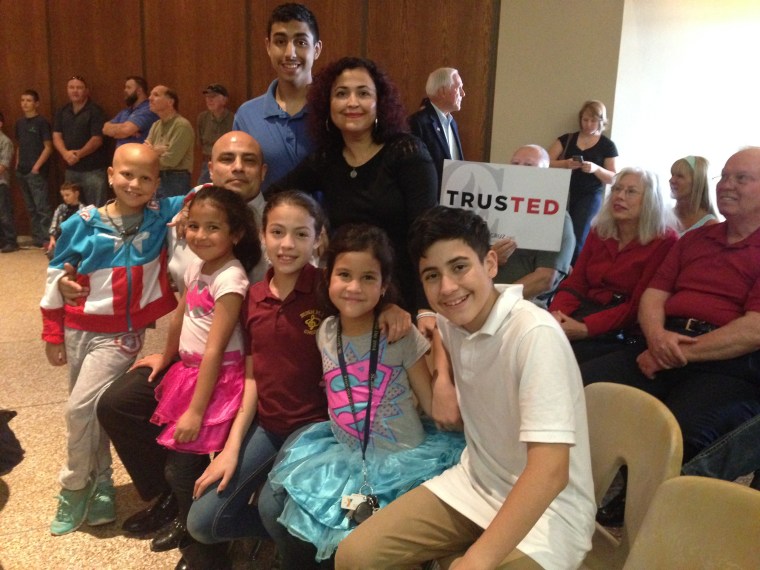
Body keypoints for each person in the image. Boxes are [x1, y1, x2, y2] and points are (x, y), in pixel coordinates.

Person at [336, 206, 595, 570]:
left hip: (550, 511)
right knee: (355, 556)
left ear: (490, 263)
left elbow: (550, 471)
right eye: (432, 275)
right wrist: (443, 377)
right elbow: (439, 327)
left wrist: (479, 558)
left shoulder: (534, 335)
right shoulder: (452, 320)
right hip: (475, 483)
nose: (447, 287)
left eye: (459, 267)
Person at [186, 192, 412, 570]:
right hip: (268, 427)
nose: (287, 245)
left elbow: (366, 295)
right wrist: (232, 445)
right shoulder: (253, 297)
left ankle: (304, 547)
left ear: (318, 239)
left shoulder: (330, 290)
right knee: (204, 522)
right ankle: (302, 537)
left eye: (300, 234)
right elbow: (253, 375)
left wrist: (391, 306)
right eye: (277, 232)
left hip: (318, 430)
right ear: (262, 235)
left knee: (276, 509)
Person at [90, 131, 269, 553]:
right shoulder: (195, 231)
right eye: (227, 158)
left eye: (248, 160)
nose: (237, 167)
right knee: (118, 403)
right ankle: (171, 498)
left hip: (238, 370)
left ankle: (200, 523)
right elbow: (184, 312)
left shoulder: (272, 226)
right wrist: (166, 356)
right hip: (191, 362)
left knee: (190, 451)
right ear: (211, 168)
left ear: (264, 170)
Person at [258, 224, 465, 568]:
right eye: (344, 275)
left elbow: (431, 404)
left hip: (403, 462)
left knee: (367, 550)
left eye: (369, 278)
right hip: (341, 454)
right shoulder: (325, 331)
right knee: (300, 528)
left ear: (384, 286)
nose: (354, 287)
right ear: (328, 278)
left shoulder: (399, 334)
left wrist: (444, 376)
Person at [581, 146, 760, 473]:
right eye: (724, 177)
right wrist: (657, 339)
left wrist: (674, 352)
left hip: (727, 364)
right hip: (663, 341)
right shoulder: (695, 239)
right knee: (586, 385)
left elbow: (753, 330)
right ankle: (580, 478)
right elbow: (653, 294)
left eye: (742, 178)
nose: (726, 185)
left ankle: (644, 507)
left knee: (680, 432)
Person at [40, 143, 184, 536]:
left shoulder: (160, 216)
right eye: (126, 174)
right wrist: (52, 330)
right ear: (109, 174)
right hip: (78, 327)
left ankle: (73, 486)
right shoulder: (82, 223)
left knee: (78, 409)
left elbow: (205, 195)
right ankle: (102, 481)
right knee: (87, 410)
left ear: (158, 183)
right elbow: (56, 274)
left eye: (146, 178)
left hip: (121, 335)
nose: (135, 184)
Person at [133, 186, 260, 568]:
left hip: (217, 380)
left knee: (187, 468)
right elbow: (179, 317)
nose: (200, 235)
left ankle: (207, 546)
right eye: (194, 226)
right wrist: (166, 358)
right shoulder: (196, 265)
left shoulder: (231, 278)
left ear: (235, 234)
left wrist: (195, 410)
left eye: (213, 228)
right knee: (182, 466)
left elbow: (216, 349)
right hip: (189, 373)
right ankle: (197, 533)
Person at [266, 56, 438, 315]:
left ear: (379, 103)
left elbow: (426, 236)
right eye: (341, 94)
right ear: (328, 104)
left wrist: (425, 308)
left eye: (363, 93)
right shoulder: (326, 158)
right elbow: (274, 195)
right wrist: (318, 226)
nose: (352, 102)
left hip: (401, 297)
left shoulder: (407, 152)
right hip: (348, 294)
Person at [549, 167, 678, 364]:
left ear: (650, 200)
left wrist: (585, 328)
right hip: (581, 314)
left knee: (559, 363)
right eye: (616, 189)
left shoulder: (665, 241)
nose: (619, 196)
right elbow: (576, 283)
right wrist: (556, 316)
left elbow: (638, 305)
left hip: (621, 331)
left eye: (631, 191)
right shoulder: (600, 231)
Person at [233, 2, 322, 194]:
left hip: (327, 224)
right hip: (267, 223)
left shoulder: (334, 110)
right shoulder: (247, 115)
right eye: (280, 42)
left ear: (316, 49)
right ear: (268, 47)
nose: (290, 53)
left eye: (301, 42)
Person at [493, 145, 575, 307]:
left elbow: (544, 279)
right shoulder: (489, 209)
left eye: (529, 166)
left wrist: (494, 302)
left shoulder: (556, 218)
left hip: (522, 308)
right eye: (515, 164)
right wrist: (490, 258)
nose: (519, 171)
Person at [548, 100, 618, 260]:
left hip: (589, 195)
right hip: (562, 193)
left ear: (601, 121)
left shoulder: (607, 145)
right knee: (557, 235)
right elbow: (545, 163)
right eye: (585, 120)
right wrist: (565, 164)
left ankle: (573, 271)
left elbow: (613, 178)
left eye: (593, 120)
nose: (588, 124)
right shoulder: (567, 139)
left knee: (579, 236)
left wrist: (595, 169)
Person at [52, 76, 109, 206]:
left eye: (79, 88)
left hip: (93, 171)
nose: (75, 91)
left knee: (96, 210)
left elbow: (97, 139)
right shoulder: (62, 111)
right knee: (72, 209)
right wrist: (65, 153)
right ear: (67, 90)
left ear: (86, 91)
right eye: (71, 87)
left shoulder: (95, 111)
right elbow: (56, 135)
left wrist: (79, 154)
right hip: (71, 169)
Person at [409, 67, 465, 188]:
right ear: (443, 91)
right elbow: (414, 169)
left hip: (452, 197)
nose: (463, 93)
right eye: (458, 87)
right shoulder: (418, 123)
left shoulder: (452, 123)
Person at [13, 90, 53, 251]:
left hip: (36, 171)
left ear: (36, 103)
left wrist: (37, 166)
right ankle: (37, 238)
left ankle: (47, 238)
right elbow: (19, 146)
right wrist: (17, 163)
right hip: (21, 170)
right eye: (22, 100)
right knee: (30, 207)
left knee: (41, 207)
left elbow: (48, 147)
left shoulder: (42, 122)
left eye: (29, 100)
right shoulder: (20, 123)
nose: (25, 103)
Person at [145, 85, 194, 198]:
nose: (150, 98)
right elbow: (144, 153)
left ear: (170, 102)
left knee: (173, 215)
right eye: (151, 94)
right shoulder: (155, 125)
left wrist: (151, 151)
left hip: (175, 180)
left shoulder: (182, 125)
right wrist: (157, 151)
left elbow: (171, 160)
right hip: (156, 177)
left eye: (156, 95)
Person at [102, 76, 159, 146]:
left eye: (128, 87)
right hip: (121, 155)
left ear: (139, 91)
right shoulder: (126, 111)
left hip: (139, 155)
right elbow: (105, 128)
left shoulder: (148, 109)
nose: (125, 90)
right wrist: (125, 130)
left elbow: (125, 131)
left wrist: (120, 132)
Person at [669, 155, 718, 234]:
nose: (672, 180)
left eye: (680, 176)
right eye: (672, 175)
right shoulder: (663, 217)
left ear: (697, 182)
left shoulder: (710, 226)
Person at [197, 84, 233, 184]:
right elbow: (200, 143)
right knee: (202, 192)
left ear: (224, 100)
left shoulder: (233, 119)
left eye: (213, 97)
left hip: (227, 163)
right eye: (207, 97)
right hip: (207, 164)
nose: (209, 100)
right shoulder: (202, 118)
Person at [47, 182, 85, 259]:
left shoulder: (83, 210)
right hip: (62, 239)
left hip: (76, 240)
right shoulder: (61, 208)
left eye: (67, 195)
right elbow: (54, 225)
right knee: (52, 255)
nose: (65, 198)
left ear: (76, 194)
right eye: (63, 196)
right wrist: (52, 239)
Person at [0, 111, 18, 253]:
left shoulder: (5, 142)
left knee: (4, 213)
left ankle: (11, 241)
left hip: (1, 182)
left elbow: (4, 165)